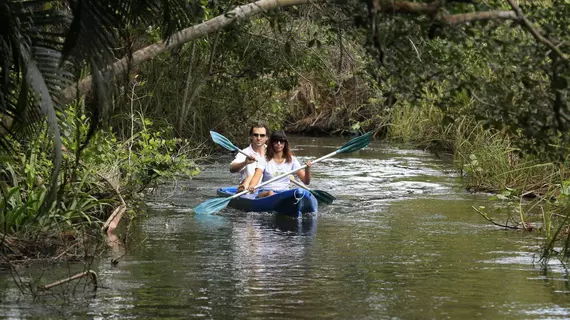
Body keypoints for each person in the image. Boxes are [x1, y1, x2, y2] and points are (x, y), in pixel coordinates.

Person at [246, 130, 311, 198]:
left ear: (285, 143)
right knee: (271, 193)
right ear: (272, 143)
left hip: (284, 192)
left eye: (281, 141)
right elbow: (256, 178)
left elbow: (306, 182)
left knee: (298, 191)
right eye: (276, 141)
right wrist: (252, 186)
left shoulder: (292, 160)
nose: (279, 144)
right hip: (266, 192)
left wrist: (307, 170)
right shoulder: (264, 159)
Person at [230, 123, 270, 192]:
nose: (258, 138)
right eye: (255, 135)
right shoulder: (244, 153)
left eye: (262, 135)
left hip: (268, 190)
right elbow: (231, 169)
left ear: (267, 137)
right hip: (248, 189)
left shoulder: (272, 152)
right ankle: (242, 189)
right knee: (249, 176)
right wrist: (245, 163)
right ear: (251, 136)